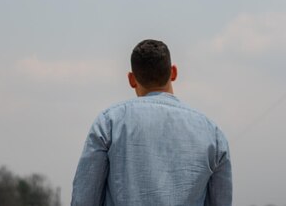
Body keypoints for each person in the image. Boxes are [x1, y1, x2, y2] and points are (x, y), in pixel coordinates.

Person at [71, 39, 232, 206]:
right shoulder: (213, 135)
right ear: (173, 72)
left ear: (132, 79)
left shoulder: (108, 124)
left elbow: (84, 199)